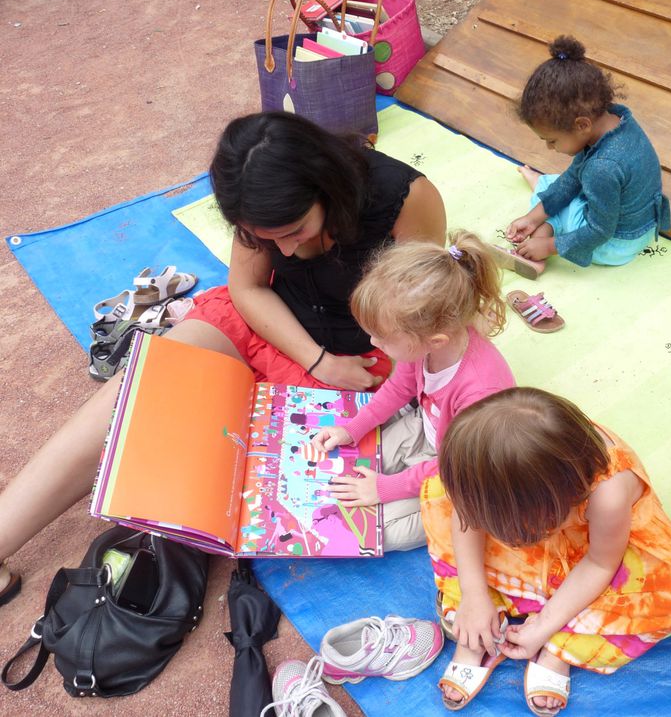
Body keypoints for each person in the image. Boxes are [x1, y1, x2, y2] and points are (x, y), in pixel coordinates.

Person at [0, 111, 446, 603]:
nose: (286, 250)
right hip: (271, 327)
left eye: (294, 230)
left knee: (280, 488)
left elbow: (420, 314)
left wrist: (345, 367)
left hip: (364, 359)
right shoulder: (256, 200)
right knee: (130, 399)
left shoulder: (405, 199)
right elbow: (248, 288)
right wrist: (318, 361)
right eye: (265, 237)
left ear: (325, 188)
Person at [424, 388, 671, 714]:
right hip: (540, 521)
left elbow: (601, 564)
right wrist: (473, 593)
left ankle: (559, 647)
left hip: (600, 550)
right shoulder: (505, 470)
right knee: (438, 491)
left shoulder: (609, 494)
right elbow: (467, 518)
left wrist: (546, 626)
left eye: (520, 531)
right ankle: (481, 618)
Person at [311, 230, 515, 552]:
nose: (372, 344)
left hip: (467, 471)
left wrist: (386, 488)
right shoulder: (423, 345)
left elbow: (454, 468)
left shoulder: (479, 391)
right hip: (429, 430)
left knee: (382, 530)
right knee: (351, 469)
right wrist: (352, 428)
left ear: (435, 341)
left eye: (382, 338)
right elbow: (399, 387)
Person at [496, 35, 671, 279]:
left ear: (581, 125)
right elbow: (573, 177)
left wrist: (547, 245)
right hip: (641, 226)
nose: (549, 147)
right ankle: (541, 203)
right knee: (560, 185)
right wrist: (531, 218)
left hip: (615, 246)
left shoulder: (602, 168)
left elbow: (599, 231)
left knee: (560, 200)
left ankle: (539, 245)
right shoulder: (617, 121)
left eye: (552, 140)